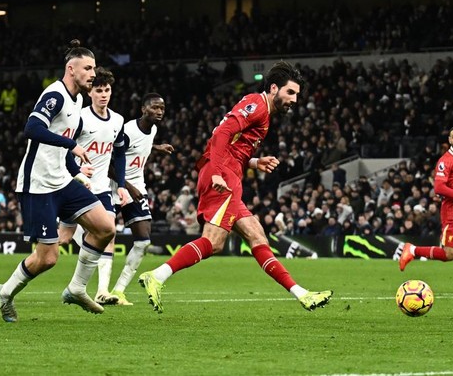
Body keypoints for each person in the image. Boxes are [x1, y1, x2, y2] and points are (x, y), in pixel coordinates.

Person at [138, 61, 332, 313]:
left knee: (256, 234)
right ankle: (158, 275)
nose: (295, 99)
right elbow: (221, 135)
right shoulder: (258, 106)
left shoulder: (262, 111)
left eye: (297, 94)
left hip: (229, 172)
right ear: (274, 88)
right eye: (290, 92)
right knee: (214, 242)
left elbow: (233, 145)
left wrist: (254, 161)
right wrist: (218, 173)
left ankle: (302, 294)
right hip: (223, 176)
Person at [0, 40, 116, 322]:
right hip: (38, 185)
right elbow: (32, 128)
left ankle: (76, 288)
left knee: (105, 227)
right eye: (87, 68)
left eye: (94, 68)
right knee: (48, 258)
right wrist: (71, 145)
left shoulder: (80, 100)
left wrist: (74, 170)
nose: (93, 73)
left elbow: (62, 146)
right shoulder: (56, 95)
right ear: (70, 69)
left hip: (62, 181)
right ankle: (6, 293)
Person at [56, 67, 130, 305]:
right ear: (91, 93)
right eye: (99, 90)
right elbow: (63, 147)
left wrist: (120, 185)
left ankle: (102, 291)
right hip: (76, 186)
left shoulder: (118, 121)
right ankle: (21, 275)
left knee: (109, 231)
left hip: (101, 188)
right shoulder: (80, 118)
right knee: (61, 241)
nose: (104, 94)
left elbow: (119, 153)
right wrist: (75, 171)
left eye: (107, 90)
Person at [101, 92, 174, 306]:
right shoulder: (128, 130)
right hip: (113, 186)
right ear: (143, 109)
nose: (159, 111)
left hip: (135, 187)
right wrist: (127, 186)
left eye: (162, 108)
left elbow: (140, 147)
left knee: (143, 241)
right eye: (155, 107)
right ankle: (97, 289)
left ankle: (119, 291)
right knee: (104, 237)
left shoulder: (153, 130)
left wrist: (156, 147)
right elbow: (108, 163)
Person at [398, 125, 453, 295]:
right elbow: (439, 188)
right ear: (449, 140)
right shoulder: (444, 161)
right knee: (450, 254)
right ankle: (412, 250)